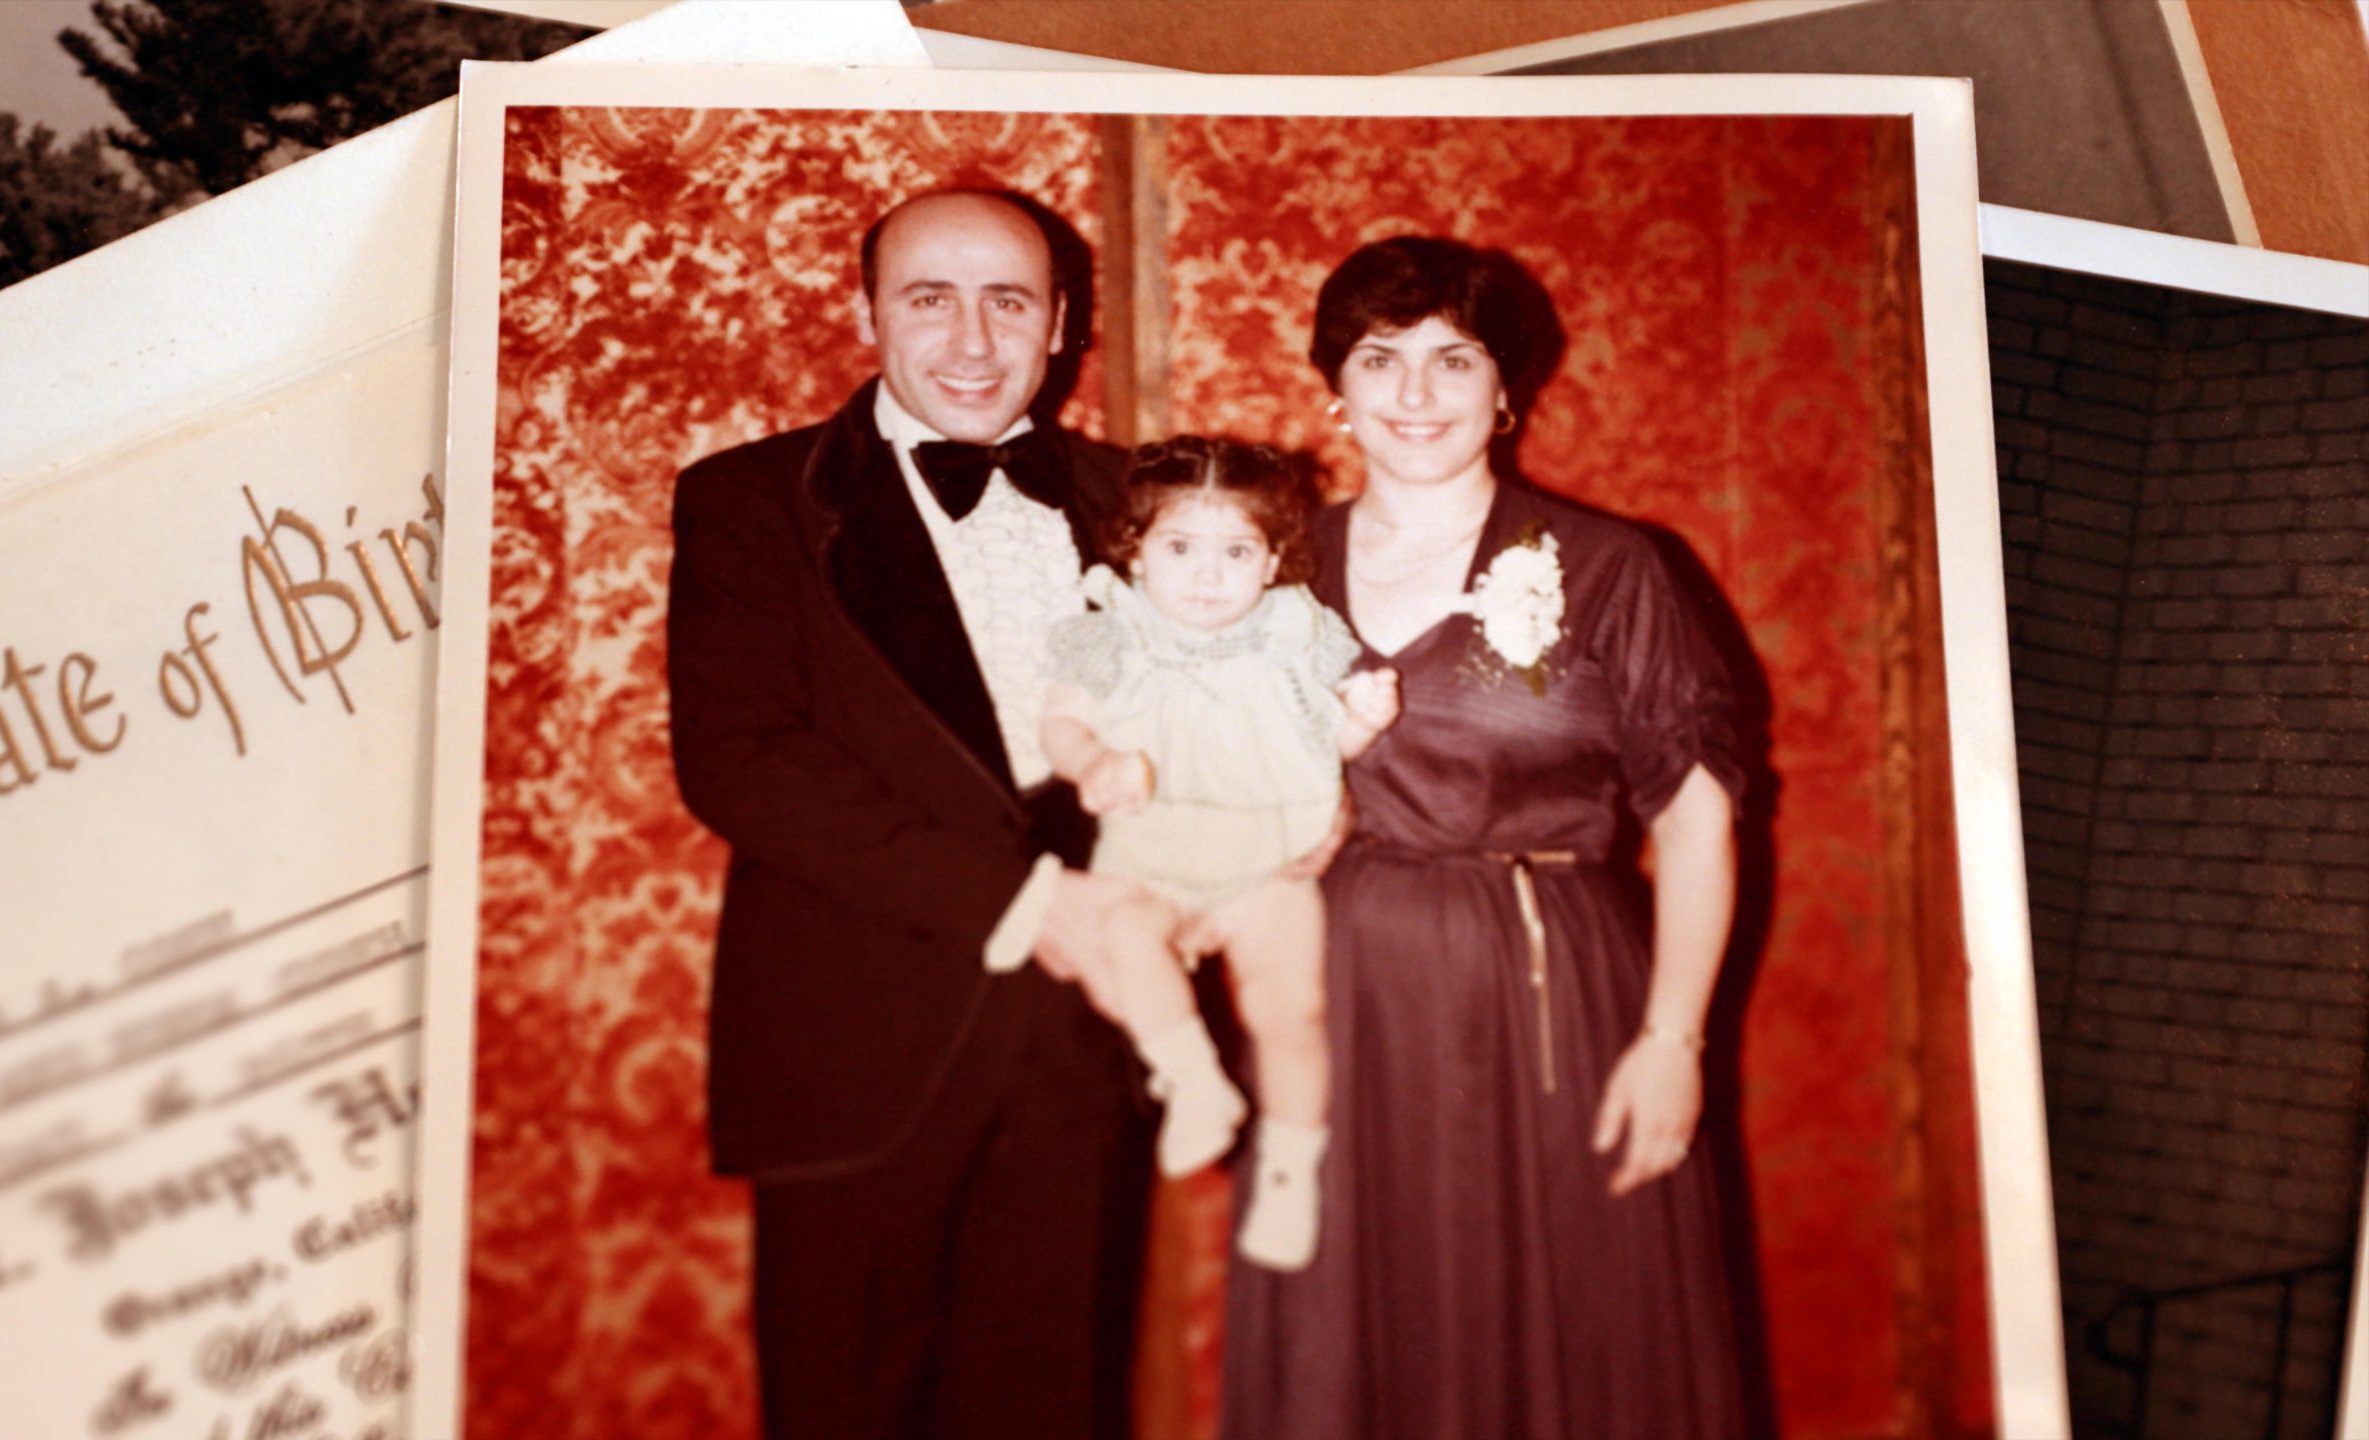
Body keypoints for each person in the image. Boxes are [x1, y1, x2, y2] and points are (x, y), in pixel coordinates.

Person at [1220, 235, 1752, 1439]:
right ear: (1333, 386)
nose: (1416, 394)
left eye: (1453, 360)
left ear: (1505, 391)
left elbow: (1698, 811)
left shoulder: (1616, 568)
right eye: (1380, 358)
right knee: (1356, 1317)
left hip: (1556, 994)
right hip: (1343, 995)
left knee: (1584, 1317)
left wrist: (1674, 1036)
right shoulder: (1266, 571)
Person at [667, 188, 1155, 1440]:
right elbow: (743, 762)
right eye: (929, 300)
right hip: (855, 1051)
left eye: (1010, 303)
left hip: (1080, 1055)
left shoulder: (1142, 506)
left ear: (1060, 327)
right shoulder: (750, 501)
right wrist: (1030, 902)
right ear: (867, 312)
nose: (973, 343)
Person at [1036, 436, 1400, 1271]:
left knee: (1291, 1013)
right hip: (1154, 855)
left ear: (1273, 560)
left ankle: (1288, 1170)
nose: (1208, 574)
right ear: (1135, 549)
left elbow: (1323, 742)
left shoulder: (1298, 626)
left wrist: (1365, 720)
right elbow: (1060, 722)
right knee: (1128, 934)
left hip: (1268, 858)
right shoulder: (1106, 625)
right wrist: (1093, 763)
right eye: (1180, 548)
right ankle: (1189, 1078)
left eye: (1237, 551)